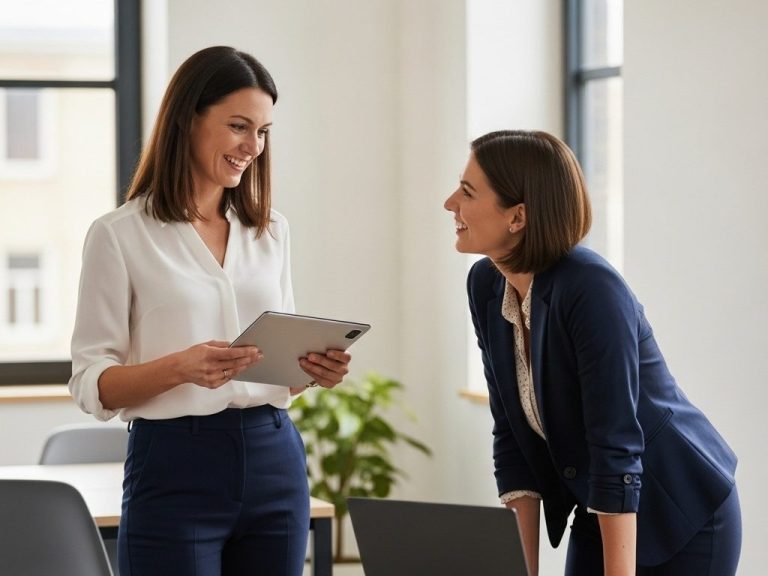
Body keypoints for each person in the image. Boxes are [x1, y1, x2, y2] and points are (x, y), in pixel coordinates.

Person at [69, 46, 351, 576]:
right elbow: (90, 383)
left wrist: (308, 372)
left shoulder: (271, 232)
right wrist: (181, 368)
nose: (253, 147)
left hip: (275, 457)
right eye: (239, 126)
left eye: (264, 131)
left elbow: (272, 371)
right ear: (188, 120)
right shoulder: (119, 235)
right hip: (175, 464)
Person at [444, 130, 741, 576]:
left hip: (681, 511)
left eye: (467, 192)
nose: (451, 203)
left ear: (518, 216)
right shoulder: (485, 285)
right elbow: (512, 439)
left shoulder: (591, 289)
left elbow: (615, 443)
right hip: (597, 504)